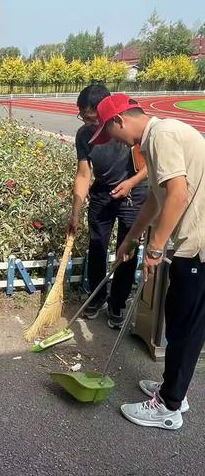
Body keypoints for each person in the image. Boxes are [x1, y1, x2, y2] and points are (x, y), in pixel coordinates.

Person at [91, 93, 205, 430]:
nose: (113, 140)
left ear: (120, 120)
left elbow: (178, 195)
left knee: (185, 325)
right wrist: (130, 241)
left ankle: (169, 406)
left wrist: (154, 249)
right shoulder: (153, 140)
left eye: (110, 133)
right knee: (179, 317)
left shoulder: (162, 136)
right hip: (192, 243)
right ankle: (174, 389)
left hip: (198, 245)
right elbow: (155, 201)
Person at [68, 84, 148, 328]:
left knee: (128, 249)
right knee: (97, 245)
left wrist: (131, 182)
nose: (90, 124)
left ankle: (117, 303)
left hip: (134, 191)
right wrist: (75, 213)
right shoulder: (84, 135)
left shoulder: (128, 125)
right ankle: (97, 297)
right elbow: (83, 175)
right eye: (84, 117)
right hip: (103, 192)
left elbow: (152, 164)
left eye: (93, 117)